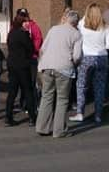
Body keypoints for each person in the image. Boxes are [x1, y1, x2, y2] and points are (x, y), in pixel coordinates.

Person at [36, 9, 82, 138]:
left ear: (65, 19)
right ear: (76, 22)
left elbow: (42, 49)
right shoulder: (77, 34)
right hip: (64, 68)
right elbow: (77, 56)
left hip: (47, 66)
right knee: (62, 99)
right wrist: (74, 64)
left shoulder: (53, 29)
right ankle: (59, 130)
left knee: (46, 96)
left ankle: (42, 127)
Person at [70, 3, 109, 124]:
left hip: (86, 58)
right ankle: (98, 115)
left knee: (81, 86)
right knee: (99, 87)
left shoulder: (82, 26)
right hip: (102, 58)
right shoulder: (105, 27)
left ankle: (80, 113)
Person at [5, 14, 36, 127]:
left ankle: (8, 117)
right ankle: (32, 117)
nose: (28, 24)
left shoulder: (11, 33)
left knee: (12, 91)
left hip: (12, 64)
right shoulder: (23, 34)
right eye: (26, 22)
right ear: (22, 23)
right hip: (23, 65)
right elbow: (31, 49)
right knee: (28, 91)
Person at [15, 8, 43, 111]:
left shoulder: (33, 26)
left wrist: (31, 50)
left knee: (31, 82)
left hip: (31, 58)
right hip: (20, 58)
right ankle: (23, 103)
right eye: (21, 15)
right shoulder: (15, 27)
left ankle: (32, 104)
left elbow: (38, 39)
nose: (23, 17)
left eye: (24, 15)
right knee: (22, 82)